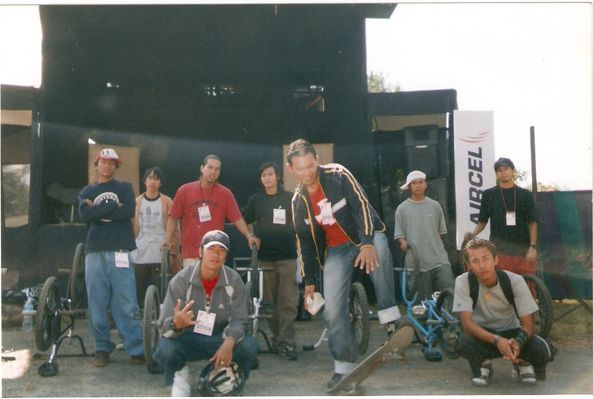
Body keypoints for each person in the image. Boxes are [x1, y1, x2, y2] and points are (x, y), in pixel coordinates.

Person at [286, 138, 401, 389]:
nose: (306, 173)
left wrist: (368, 242)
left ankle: (390, 318)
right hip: (337, 251)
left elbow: (362, 206)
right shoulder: (298, 202)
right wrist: (309, 283)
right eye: (300, 168)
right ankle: (343, 367)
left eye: (310, 165)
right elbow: (304, 244)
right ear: (292, 169)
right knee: (332, 309)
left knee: (378, 250)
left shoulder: (338, 174)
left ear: (316, 160)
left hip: (364, 236)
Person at [154, 230, 258, 397]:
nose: (215, 255)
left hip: (220, 337)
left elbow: (240, 319)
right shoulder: (181, 281)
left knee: (249, 346)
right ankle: (180, 375)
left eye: (221, 250)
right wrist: (176, 324)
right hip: (188, 337)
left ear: (226, 256)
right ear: (201, 252)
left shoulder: (234, 280)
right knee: (165, 348)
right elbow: (163, 326)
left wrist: (229, 342)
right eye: (211, 249)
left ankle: (231, 376)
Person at [453, 238, 555, 387]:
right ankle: (483, 364)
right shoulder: (463, 282)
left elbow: (528, 324)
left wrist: (518, 342)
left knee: (542, 347)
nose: (482, 265)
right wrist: (496, 340)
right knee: (464, 341)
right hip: (483, 334)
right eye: (475, 261)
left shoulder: (515, 281)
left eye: (486, 259)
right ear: (469, 265)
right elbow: (467, 323)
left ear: (496, 260)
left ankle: (522, 362)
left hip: (511, 332)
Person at [77, 148, 144, 367]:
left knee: (126, 302)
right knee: (97, 302)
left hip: (120, 250)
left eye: (111, 163)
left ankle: (136, 349)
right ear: (96, 165)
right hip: (94, 250)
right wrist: (112, 205)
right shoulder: (87, 190)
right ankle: (102, 349)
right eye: (103, 162)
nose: (107, 166)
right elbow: (84, 214)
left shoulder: (124, 188)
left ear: (116, 166)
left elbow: (128, 212)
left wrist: (98, 208)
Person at [244, 161, 299, 361]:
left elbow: (300, 222)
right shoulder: (255, 200)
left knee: (288, 302)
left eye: (270, 174)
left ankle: (287, 343)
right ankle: (279, 340)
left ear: (277, 177)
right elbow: (247, 220)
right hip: (265, 258)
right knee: (270, 303)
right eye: (263, 175)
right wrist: (251, 236)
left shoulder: (290, 198)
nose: (267, 178)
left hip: (287, 257)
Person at [165, 154, 258, 267]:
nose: (213, 171)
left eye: (217, 169)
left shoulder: (225, 194)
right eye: (210, 167)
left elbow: (237, 219)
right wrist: (167, 240)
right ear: (202, 168)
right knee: (192, 284)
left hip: (215, 254)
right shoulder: (184, 190)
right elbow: (173, 217)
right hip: (191, 254)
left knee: (214, 285)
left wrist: (249, 235)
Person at [464, 157, 538, 275]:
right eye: (499, 170)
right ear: (496, 173)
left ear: (513, 171)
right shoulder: (489, 195)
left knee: (527, 288)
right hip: (499, 251)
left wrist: (533, 247)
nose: (503, 173)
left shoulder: (525, 195)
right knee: (501, 286)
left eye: (506, 169)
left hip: (523, 250)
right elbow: (482, 221)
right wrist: (473, 234)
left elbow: (532, 222)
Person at [394, 170, 454, 299]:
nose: (418, 185)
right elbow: (400, 235)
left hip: (439, 261)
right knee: (422, 307)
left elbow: (441, 233)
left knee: (449, 298)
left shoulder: (435, 206)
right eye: (414, 183)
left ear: (426, 184)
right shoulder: (401, 209)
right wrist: (403, 242)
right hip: (416, 265)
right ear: (409, 187)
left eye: (421, 182)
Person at [131, 167, 180, 305]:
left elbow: (175, 228)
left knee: (160, 292)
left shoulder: (167, 202)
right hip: (139, 251)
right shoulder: (137, 202)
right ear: (145, 181)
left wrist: (173, 249)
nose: (153, 182)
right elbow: (132, 226)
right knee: (137, 290)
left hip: (160, 253)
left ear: (161, 182)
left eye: (156, 178)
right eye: (150, 178)